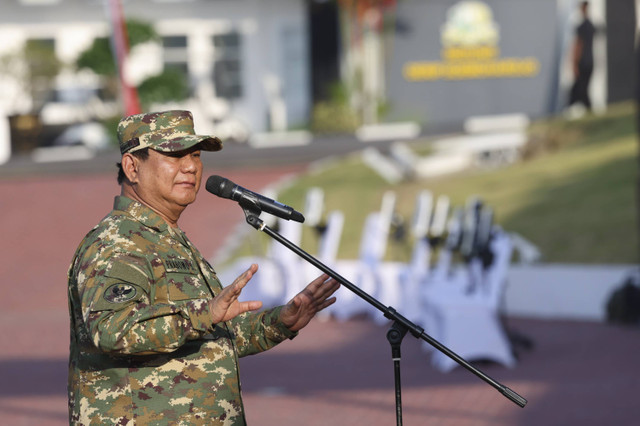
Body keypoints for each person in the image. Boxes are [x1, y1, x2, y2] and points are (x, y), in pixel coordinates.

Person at [67, 110, 340, 425]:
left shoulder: (165, 240)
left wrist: (280, 321)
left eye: (195, 155)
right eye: (174, 155)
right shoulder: (118, 244)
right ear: (132, 167)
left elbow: (207, 337)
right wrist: (203, 314)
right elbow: (114, 330)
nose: (190, 167)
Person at [568, 1, 596, 111]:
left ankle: (588, 111)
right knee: (583, 89)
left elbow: (578, 45)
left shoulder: (582, 27)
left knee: (580, 89)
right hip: (590, 61)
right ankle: (588, 111)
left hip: (583, 62)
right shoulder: (591, 26)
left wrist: (574, 63)